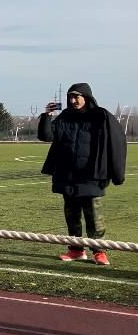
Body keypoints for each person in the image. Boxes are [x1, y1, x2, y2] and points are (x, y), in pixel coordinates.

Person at [39, 83, 126, 265]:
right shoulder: (65, 117)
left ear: (86, 97)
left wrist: (115, 172)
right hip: (67, 176)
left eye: (76, 97)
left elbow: (117, 143)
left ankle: (99, 251)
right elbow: (47, 136)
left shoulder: (100, 117)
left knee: (94, 217)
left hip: (92, 176)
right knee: (72, 217)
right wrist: (47, 115)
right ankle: (76, 250)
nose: (72, 101)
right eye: (70, 97)